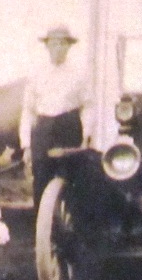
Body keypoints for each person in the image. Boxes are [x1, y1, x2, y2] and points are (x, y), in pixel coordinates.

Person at [19, 25, 93, 208]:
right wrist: (26, 144)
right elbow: (28, 110)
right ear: (47, 46)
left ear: (69, 46)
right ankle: (41, 223)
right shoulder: (36, 73)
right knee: (41, 179)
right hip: (43, 130)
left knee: (72, 178)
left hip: (69, 127)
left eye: (62, 43)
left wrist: (87, 134)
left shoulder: (79, 74)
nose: (58, 48)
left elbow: (88, 106)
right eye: (54, 44)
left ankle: (72, 221)